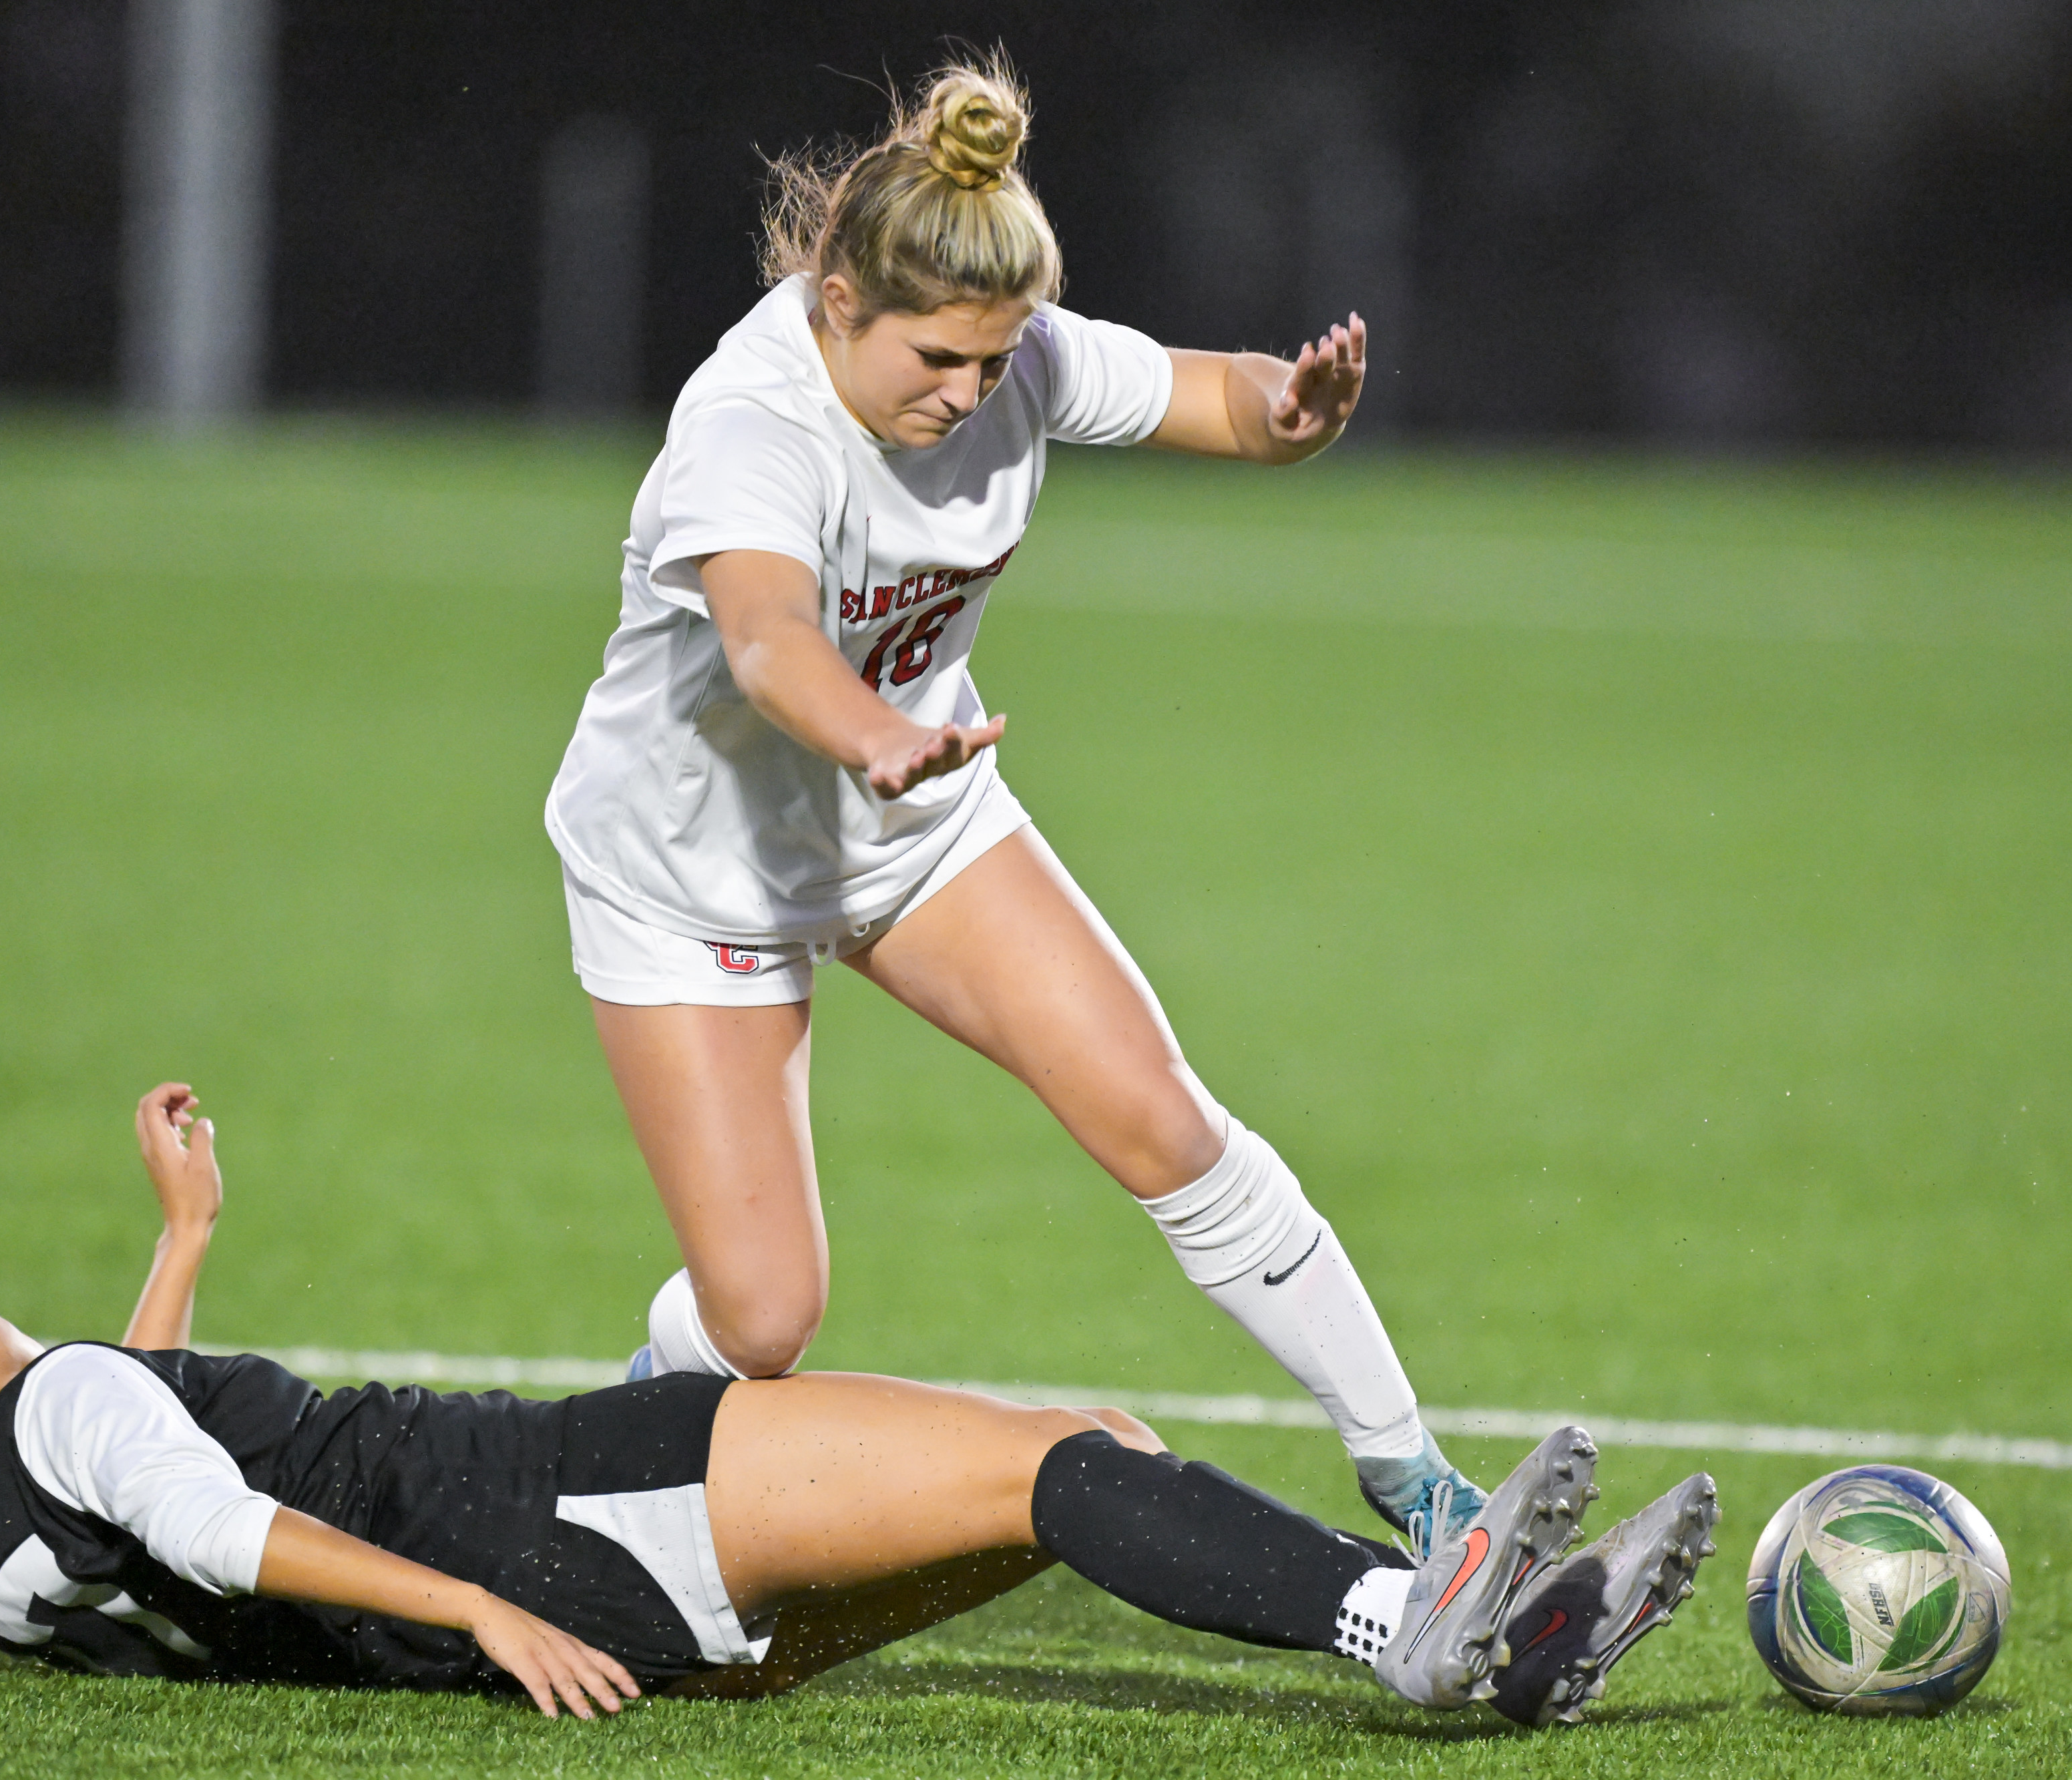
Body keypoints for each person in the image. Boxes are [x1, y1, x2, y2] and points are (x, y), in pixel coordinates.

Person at [546, 58, 1485, 1554]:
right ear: (836, 300)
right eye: (935, 358)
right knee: (767, 1312)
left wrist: (1289, 410)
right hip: (691, 868)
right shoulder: (750, 415)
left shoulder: (1012, 355)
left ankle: (1422, 1490)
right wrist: (869, 735)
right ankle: (607, 1439)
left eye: (990, 364)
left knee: (1159, 1118)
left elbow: (1209, 394)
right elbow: (767, 640)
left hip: (914, 821)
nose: (967, 393)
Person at [0, 1085, 1718, 1727]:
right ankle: (1416, 1624)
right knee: (1073, 1462)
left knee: (1070, 1476)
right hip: (564, 1521)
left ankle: (1478, 1646)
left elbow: (140, 1469)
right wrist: (486, 1603)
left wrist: (182, 1237)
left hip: (619, 1605)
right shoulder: (73, 1401)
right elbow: (216, 1513)